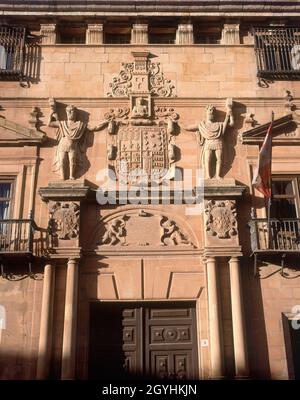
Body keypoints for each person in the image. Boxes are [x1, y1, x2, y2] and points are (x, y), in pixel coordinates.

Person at [49, 103, 107, 180]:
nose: (69, 113)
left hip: (73, 146)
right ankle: (62, 177)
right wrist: (51, 112)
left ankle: (71, 176)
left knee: (72, 161)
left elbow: (94, 128)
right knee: (62, 161)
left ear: (75, 113)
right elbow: (50, 123)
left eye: (71, 111)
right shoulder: (62, 123)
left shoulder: (80, 125)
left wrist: (106, 122)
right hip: (62, 145)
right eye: (68, 111)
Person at [185, 103, 234, 179]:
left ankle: (218, 175)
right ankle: (208, 175)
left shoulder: (219, 124)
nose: (211, 113)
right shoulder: (202, 125)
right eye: (209, 112)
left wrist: (230, 115)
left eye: (212, 112)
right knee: (207, 159)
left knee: (219, 159)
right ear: (206, 114)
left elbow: (231, 124)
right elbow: (188, 128)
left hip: (218, 142)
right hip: (208, 143)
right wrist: (177, 124)